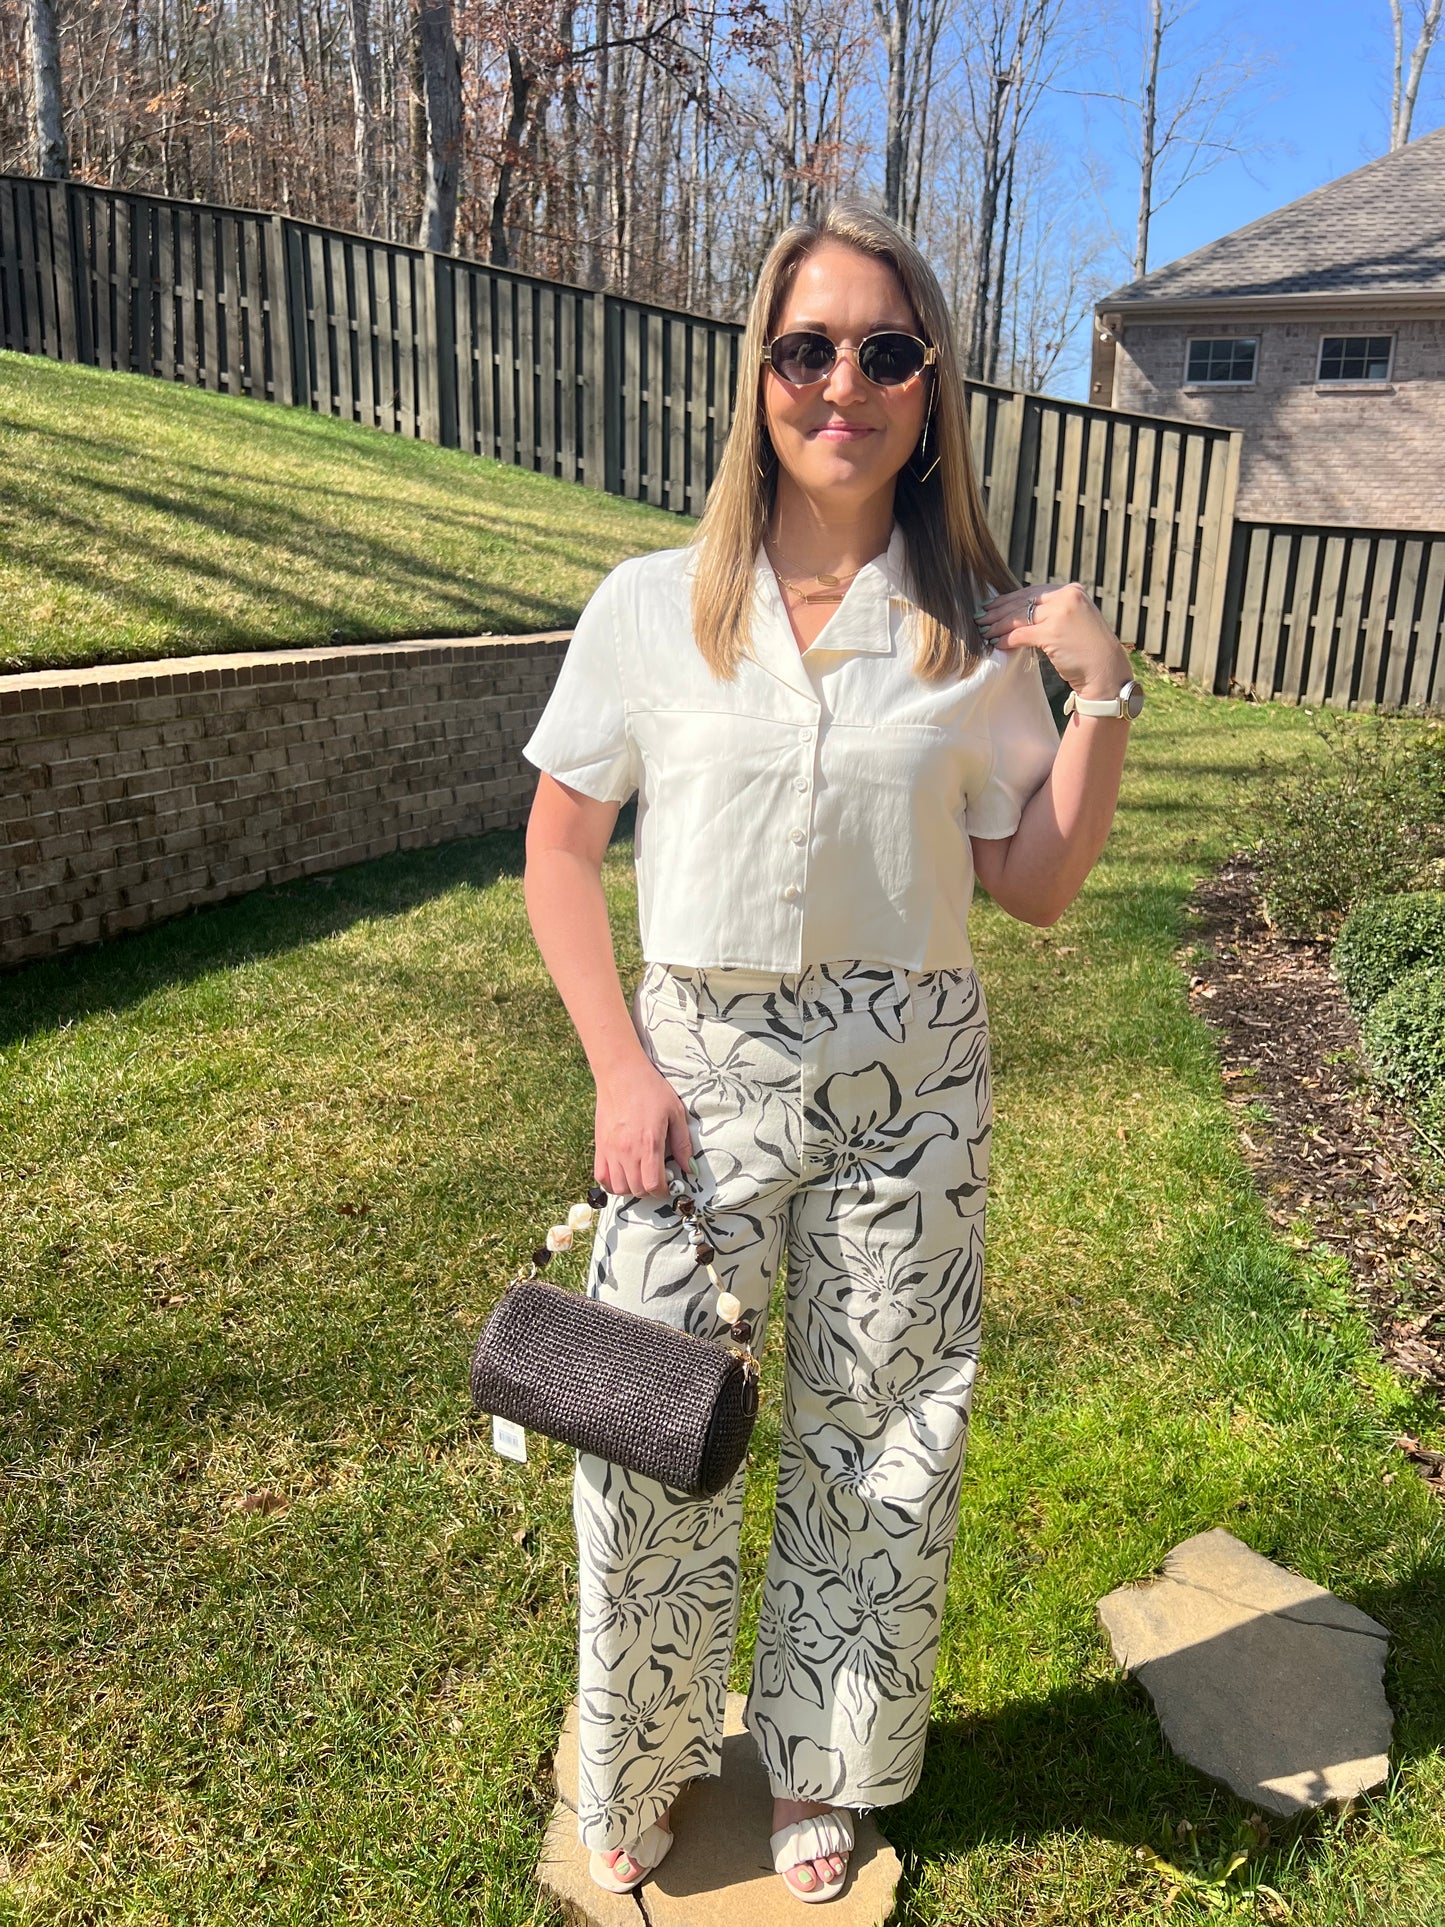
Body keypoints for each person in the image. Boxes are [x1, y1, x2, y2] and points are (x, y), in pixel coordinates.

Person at [520, 199, 1139, 1903]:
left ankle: (823, 1770)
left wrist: (1101, 702)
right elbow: (560, 852)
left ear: (928, 389)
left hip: (910, 1085)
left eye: (883, 351)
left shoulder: (974, 635)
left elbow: (1032, 887)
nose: (842, 382)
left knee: (881, 1435)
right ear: (760, 376)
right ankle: (634, 1759)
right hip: (693, 1076)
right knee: (643, 1428)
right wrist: (617, 1072)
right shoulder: (654, 607)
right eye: (807, 348)